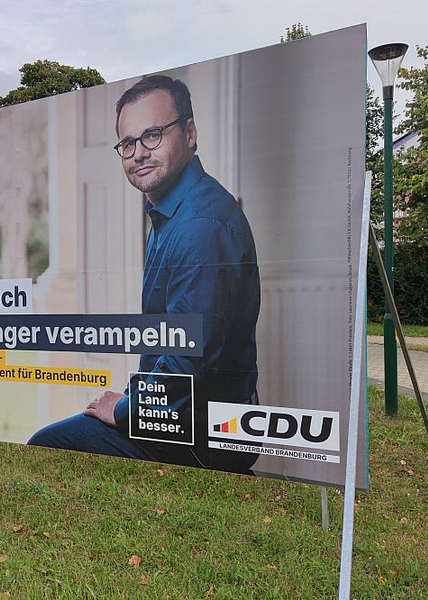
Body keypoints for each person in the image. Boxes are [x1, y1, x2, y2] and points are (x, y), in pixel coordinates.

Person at [28, 75, 260, 474]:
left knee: (45, 447)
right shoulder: (174, 210)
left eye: (152, 135)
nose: (138, 153)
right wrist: (134, 403)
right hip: (180, 420)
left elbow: (185, 366)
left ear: (189, 133)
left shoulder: (198, 226)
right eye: (128, 143)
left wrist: (123, 410)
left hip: (201, 437)